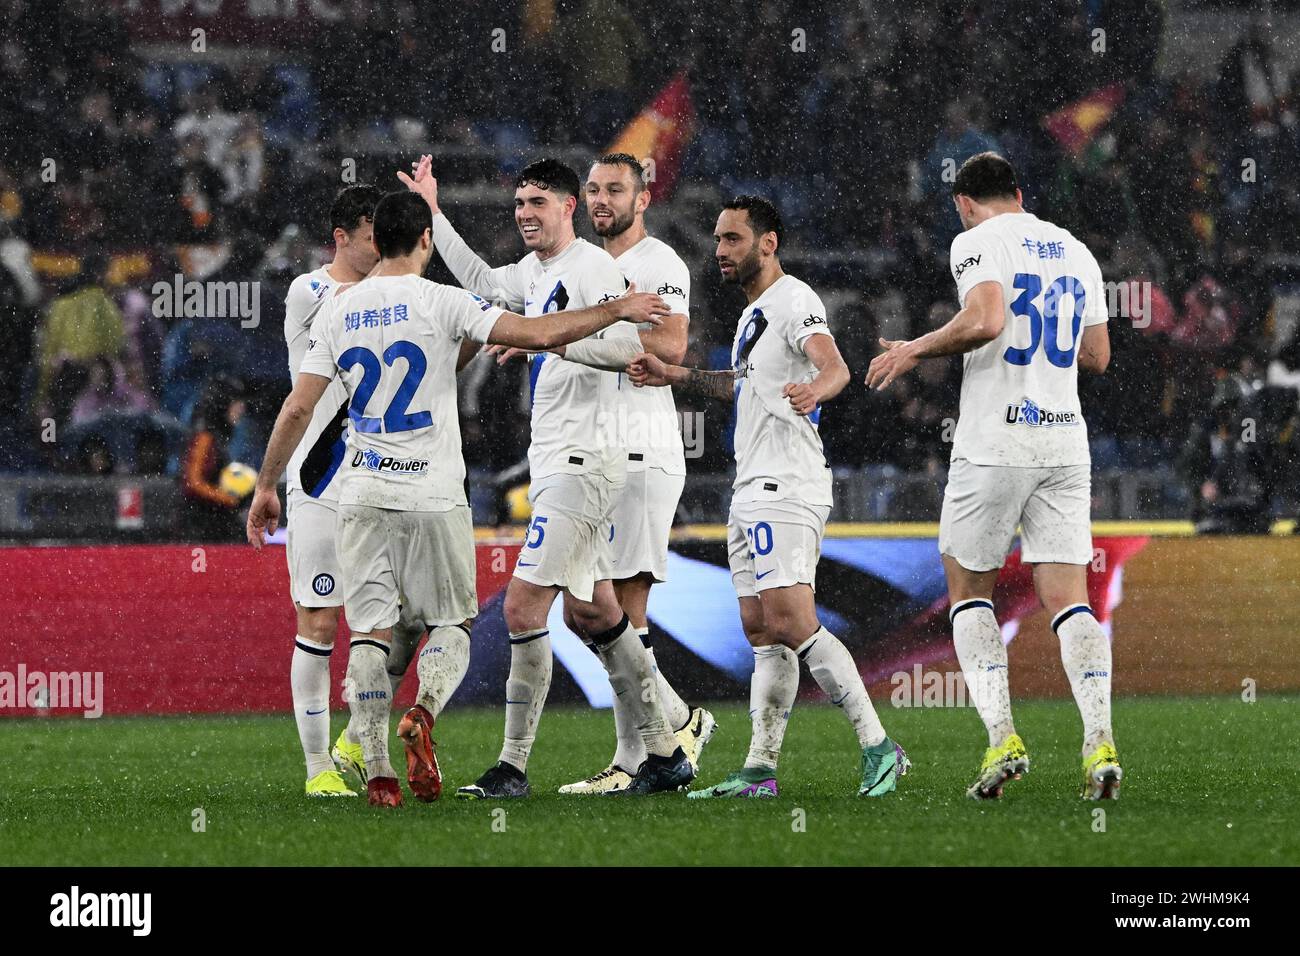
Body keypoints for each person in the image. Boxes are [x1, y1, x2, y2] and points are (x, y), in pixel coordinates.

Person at [247, 183, 671, 807]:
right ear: (424, 240)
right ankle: (421, 709)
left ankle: (376, 766)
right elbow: (536, 333)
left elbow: (298, 405)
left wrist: (264, 484)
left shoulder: (338, 308)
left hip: (359, 491)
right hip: (433, 492)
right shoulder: (442, 301)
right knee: (451, 623)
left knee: (368, 632)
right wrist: (615, 310)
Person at [417, 155, 695, 798]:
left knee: (522, 605)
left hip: (586, 461)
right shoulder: (536, 272)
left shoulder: (594, 269)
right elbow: (484, 280)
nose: (524, 215)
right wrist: (435, 213)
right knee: (596, 611)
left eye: (537, 203)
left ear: (567, 208)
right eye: (518, 204)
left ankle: (512, 767)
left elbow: (632, 351)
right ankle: (667, 743)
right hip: (557, 460)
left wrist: (551, 339)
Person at [630, 196, 909, 799]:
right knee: (761, 628)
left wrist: (818, 390)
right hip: (752, 485)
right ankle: (760, 768)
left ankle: (879, 745)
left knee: (790, 618)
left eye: (733, 239)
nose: (721, 251)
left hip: (787, 482)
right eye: (719, 240)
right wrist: (672, 375)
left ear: (768, 243)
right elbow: (741, 387)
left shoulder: (795, 299)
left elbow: (833, 364)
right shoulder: (751, 316)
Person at [865, 152, 1119, 800]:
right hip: (1064, 437)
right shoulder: (1075, 252)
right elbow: (1097, 356)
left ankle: (1003, 736)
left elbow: (984, 320)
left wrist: (912, 347)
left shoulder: (976, 240)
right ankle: (1099, 743)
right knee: (1070, 598)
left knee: (968, 590)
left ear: (963, 203)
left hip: (997, 437)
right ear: (1021, 191)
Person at [484, 152, 716, 794]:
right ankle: (669, 729)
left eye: (615, 190)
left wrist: (554, 337)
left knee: (622, 608)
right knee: (596, 611)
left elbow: (668, 348)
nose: (600, 200)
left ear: (642, 199)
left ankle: (639, 758)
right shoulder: (573, 264)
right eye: (592, 190)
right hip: (594, 448)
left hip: (637, 449)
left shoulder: (657, 264)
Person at [280, 184, 425, 799]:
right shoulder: (310, 291)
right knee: (319, 621)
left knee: (414, 615)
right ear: (342, 238)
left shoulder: (388, 296)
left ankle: (353, 739)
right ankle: (319, 770)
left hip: (384, 476)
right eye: (372, 236)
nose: (381, 246)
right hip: (321, 479)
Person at [179, 374, 247, 541]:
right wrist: (228, 498)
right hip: (201, 525)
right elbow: (193, 482)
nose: (242, 408)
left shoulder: (216, 436)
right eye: (236, 402)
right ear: (222, 405)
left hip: (211, 520)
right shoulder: (204, 437)